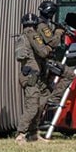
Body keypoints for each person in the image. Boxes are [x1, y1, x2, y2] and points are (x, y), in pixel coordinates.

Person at [15, 12, 52, 143]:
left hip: (35, 76)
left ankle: (33, 134)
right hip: (31, 76)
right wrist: (49, 47)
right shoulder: (31, 34)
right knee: (32, 107)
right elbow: (43, 52)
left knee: (42, 102)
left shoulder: (24, 36)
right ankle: (21, 134)